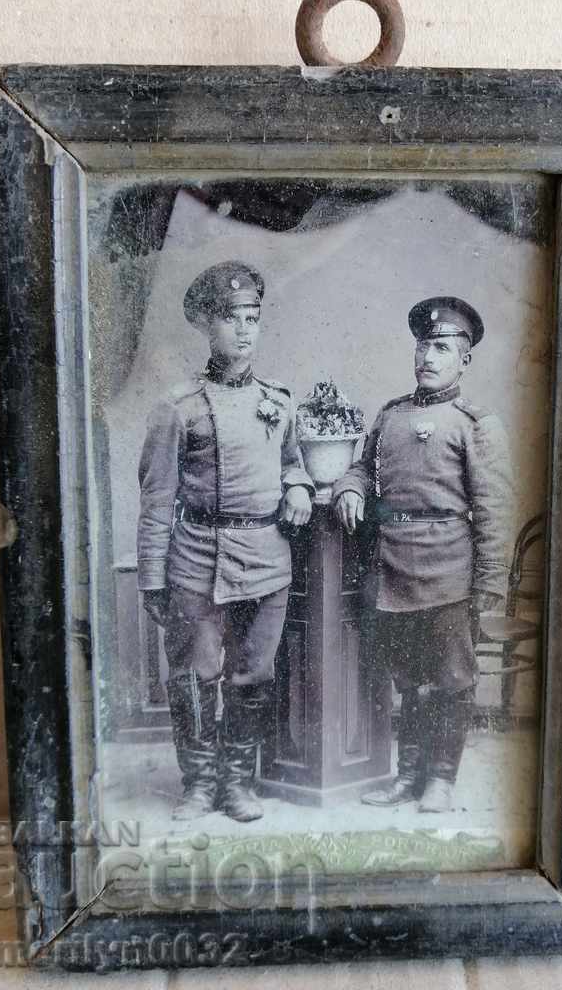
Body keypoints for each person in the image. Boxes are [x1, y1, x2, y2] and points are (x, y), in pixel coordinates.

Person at [137, 260, 314, 823]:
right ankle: (198, 784)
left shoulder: (279, 400)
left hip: (266, 561)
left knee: (253, 676)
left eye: (253, 318)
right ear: (207, 328)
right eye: (231, 319)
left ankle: (237, 783)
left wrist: (300, 487)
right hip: (197, 561)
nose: (244, 330)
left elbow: (293, 463)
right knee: (194, 678)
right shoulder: (179, 407)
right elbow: (156, 500)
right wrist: (151, 579)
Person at [332, 297, 513, 813]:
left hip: (448, 574)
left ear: (465, 359)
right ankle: (406, 777)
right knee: (407, 681)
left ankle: (440, 780)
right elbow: (364, 467)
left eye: (441, 347)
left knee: (452, 680)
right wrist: (350, 487)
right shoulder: (391, 415)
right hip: (393, 569)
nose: (427, 357)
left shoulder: (475, 424)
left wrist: (488, 584)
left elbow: (494, 512)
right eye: (422, 345)